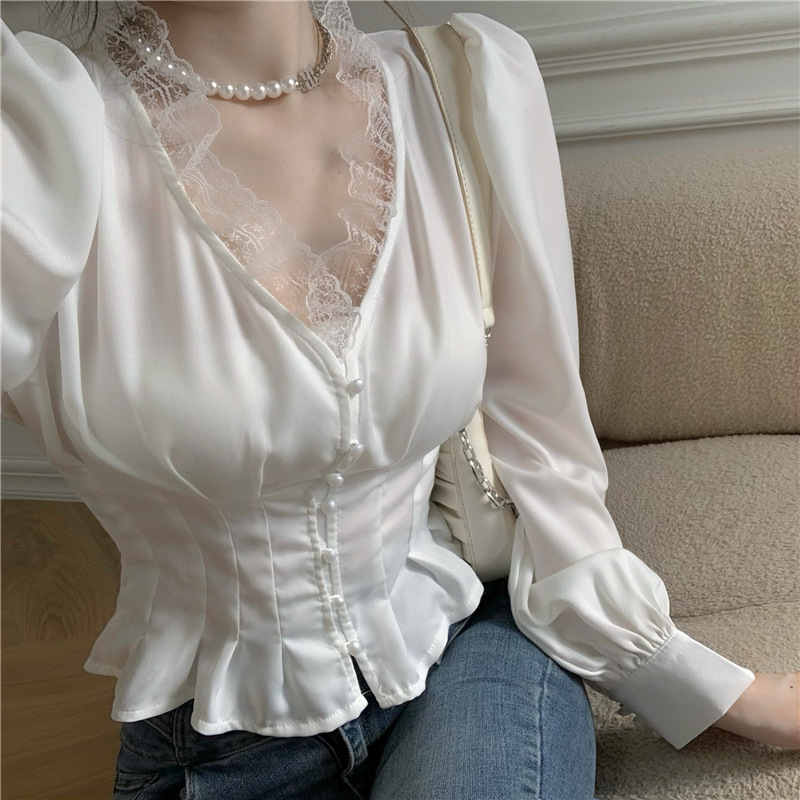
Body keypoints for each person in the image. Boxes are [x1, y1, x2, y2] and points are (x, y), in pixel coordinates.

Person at [2, 1, 797, 798]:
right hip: (215, 737)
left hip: (470, 645)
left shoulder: (461, 86)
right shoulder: (35, 144)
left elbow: (539, 440)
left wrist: (689, 680)